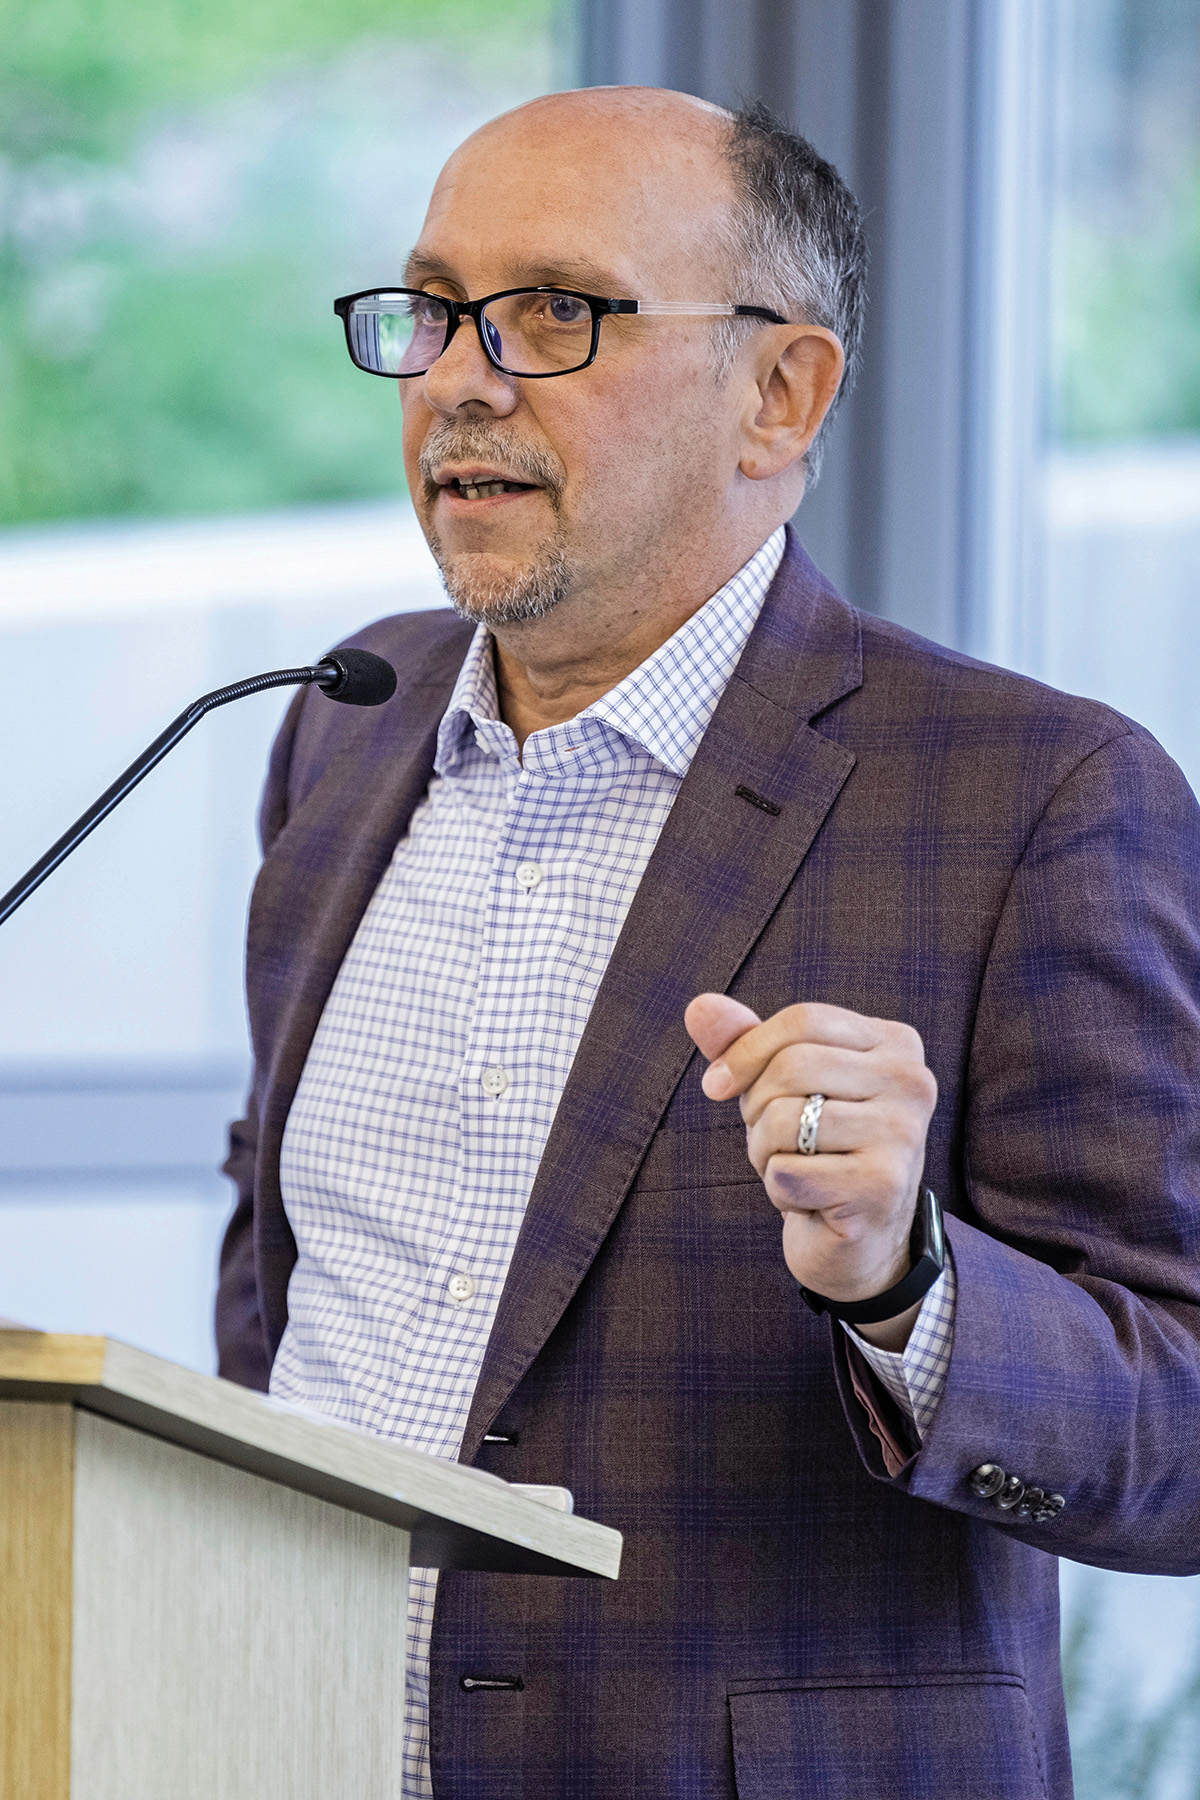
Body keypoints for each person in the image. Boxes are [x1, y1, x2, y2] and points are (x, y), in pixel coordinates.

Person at [216, 86, 1200, 1800]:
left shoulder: (1037, 795)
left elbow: (1183, 1427)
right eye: (433, 309)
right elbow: (285, 1267)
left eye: (552, 313)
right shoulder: (338, 726)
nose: (458, 375)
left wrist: (909, 1281)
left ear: (777, 393)